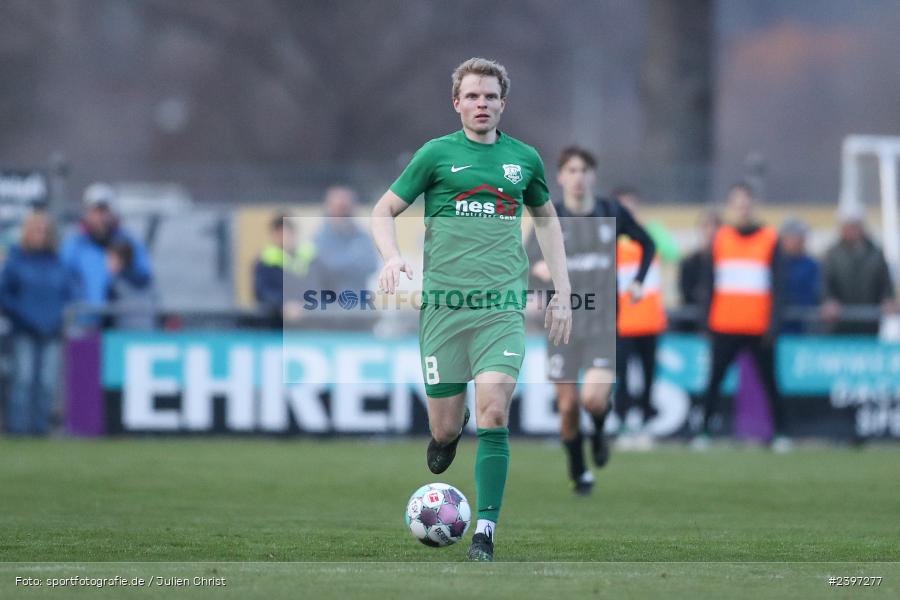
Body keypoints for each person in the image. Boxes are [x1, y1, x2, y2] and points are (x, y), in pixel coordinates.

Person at [371, 58, 571, 561]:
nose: (482, 104)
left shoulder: (523, 160)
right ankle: (444, 439)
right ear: (456, 102)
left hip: (501, 308)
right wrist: (393, 256)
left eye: (491, 96)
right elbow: (383, 210)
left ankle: (484, 531)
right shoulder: (436, 155)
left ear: (503, 103)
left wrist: (565, 292)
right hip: (443, 308)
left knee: (496, 411)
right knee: (445, 426)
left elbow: (547, 224)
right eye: (473, 96)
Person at [529, 151, 655, 494]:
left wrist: (639, 281)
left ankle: (598, 429)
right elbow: (526, 262)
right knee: (568, 407)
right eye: (571, 170)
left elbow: (647, 242)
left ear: (593, 175)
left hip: (601, 323)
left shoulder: (611, 211)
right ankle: (578, 470)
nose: (578, 176)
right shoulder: (548, 215)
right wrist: (538, 276)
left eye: (584, 170)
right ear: (560, 176)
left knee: (593, 401)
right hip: (561, 326)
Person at [695, 182, 789, 451]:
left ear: (753, 205)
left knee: (770, 381)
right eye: (737, 203)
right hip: (724, 323)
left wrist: (774, 323)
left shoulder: (769, 238)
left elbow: (779, 286)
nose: (742, 208)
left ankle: (781, 433)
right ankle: (704, 431)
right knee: (714, 381)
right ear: (731, 206)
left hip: (758, 325)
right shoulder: (720, 238)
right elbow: (709, 282)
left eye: (746, 202)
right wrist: (706, 321)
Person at [0, 210, 76, 434]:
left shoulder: (58, 264)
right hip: (23, 330)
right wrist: (22, 315)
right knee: (22, 380)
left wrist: (57, 317)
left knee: (47, 383)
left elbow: (69, 295)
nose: (39, 235)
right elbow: (5, 295)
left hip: (51, 331)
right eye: (35, 230)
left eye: (43, 231)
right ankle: (18, 428)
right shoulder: (15, 262)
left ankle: (40, 429)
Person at [611, 188, 667, 440]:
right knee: (621, 376)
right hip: (621, 322)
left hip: (650, 321)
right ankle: (622, 420)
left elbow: (672, 251)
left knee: (648, 377)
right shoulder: (608, 238)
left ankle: (646, 420)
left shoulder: (650, 234)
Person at [61, 183, 153, 328]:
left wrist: (125, 268)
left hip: (121, 320)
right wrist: (80, 301)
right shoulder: (75, 244)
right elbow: (64, 279)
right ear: (87, 212)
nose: (100, 217)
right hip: (85, 321)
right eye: (95, 211)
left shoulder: (128, 241)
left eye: (104, 211)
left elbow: (144, 276)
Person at [821, 206, 896, 335]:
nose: (850, 230)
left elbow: (885, 281)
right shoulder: (832, 254)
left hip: (870, 321)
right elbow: (825, 281)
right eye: (847, 226)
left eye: (854, 226)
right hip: (840, 322)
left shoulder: (876, 253)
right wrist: (828, 300)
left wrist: (888, 299)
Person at [312, 186, 378, 296]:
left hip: (359, 303)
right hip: (328, 304)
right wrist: (354, 259)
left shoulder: (362, 237)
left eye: (346, 208)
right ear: (329, 209)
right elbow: (324, 268)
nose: (343, 213)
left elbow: (371, 265)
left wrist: (339, 263)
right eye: (338, 208)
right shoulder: (319, 238)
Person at [254, 214, 316, 328]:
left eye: (287, 232)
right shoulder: (265, 260)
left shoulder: (310, 257)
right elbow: (262, 291)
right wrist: (283, 304)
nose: (284, 237)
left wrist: (304, 305)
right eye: (280, 233)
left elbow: (320, 286)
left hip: (309, 324)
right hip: (275, 323)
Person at [677, 210, 721, 330]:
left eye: (715, 226)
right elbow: (686, 294)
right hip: (695, 322)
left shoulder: (726, 264)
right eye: (706, 226)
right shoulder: (689, 262)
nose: (710, 231)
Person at [779, 218, 820, 334]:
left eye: (802, 238)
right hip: (781, 326)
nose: (801, 241)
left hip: (805, 327)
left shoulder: (813, 266)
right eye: (796, 237)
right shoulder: (775, 265)